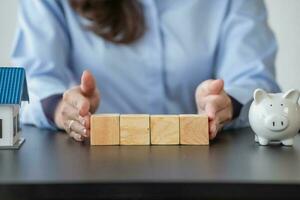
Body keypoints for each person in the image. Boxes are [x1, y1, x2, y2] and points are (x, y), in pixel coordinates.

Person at [12, 0, 280, 142]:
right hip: (88, 170)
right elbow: (31, 81)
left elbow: (254, 80)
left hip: (205, 172)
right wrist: (63, 109)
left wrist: (224, 103)